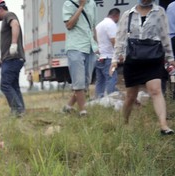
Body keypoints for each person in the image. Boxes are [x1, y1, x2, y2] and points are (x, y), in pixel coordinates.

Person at [110, 0, 174, 135]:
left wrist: (170, 57)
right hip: (133, 60)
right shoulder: (128, 14)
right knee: (131, 96)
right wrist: (115, 60)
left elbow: (164, 36)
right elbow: (120, 38)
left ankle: (163, 125)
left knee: (156, 91)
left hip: (153, 58)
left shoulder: (159, 12)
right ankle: (125, 122)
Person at [0, 0, 27, 117]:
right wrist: (1, 60)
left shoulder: (9, 15)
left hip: (13, 58)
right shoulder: (6, 18)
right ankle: (21, 110)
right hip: (11, 58)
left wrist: (14, 44)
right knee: (14, 85)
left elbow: (15, 24)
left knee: (5, 85)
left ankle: (17, 110)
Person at [62, 0, 98, 117]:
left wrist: (97, 45)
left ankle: (68, 106)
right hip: (75, 46)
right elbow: (69, 25)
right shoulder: (69, 4)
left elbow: (93, 26)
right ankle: (83, 111)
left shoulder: (92, 3)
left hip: (89, 47)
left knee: (86, 83)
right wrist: (81, 6)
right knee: (79, 82)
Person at [95, 8, 121, 98]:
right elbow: (114, 40)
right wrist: (119, 54)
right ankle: (111, 99)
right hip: (109, 58)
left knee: (100, 80)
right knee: (111, 78)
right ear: (116, 15)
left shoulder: (99, 25)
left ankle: (99, 100)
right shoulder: (111, 24)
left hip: (100, 58)